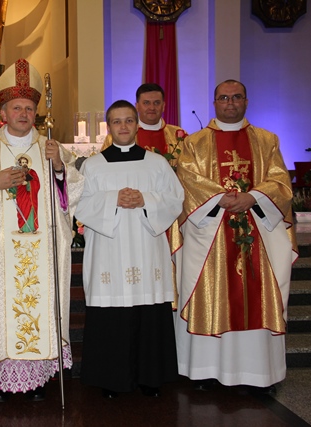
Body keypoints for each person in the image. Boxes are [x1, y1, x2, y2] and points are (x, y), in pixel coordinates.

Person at [0, 58, 84, 402]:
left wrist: (59, 169)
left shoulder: (52, 148)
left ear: (36, 113)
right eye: (16, 107)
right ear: (3, 112)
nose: (23, 113)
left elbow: (74, 194)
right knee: (0, 306)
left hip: (42, 248)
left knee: (40, 306)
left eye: (29, 108)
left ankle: (37, 378)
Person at [175, 79, 298, 394]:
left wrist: (253, 197)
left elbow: (280, 182)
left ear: (246, 101)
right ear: (214, 102)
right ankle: (205, 371)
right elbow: (187, 179)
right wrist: (221, 198)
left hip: (258, 233)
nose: (230, 103)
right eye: (223, 98)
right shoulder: (195, 143)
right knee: (210, 295)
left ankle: (258, 374)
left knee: (258, 298)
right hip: (212, 236)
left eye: (236, 97)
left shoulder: (267, 140)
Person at [76, 100, 183, 399]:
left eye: (128, 121)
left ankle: (151, 377)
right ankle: (111, 380)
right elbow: (79, 204)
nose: (123, 126)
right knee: (112, 315)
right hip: (108, 251)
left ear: (137, 125)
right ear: (108, 127)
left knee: (149, 311)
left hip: (147, 249)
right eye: (116, 121)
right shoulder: (93, 165)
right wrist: (113, 198)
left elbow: (175, 198)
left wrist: (146, 199)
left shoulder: (157, 163)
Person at [101, 83, 187, 304]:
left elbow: (187, 177)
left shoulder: (178, 136)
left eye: (156, 103)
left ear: (164, 105)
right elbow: (106, 176)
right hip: (129, 218)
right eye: (146, 103)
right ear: (137, 105)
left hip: (168, 213)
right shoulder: (119, 136)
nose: (151, 107)